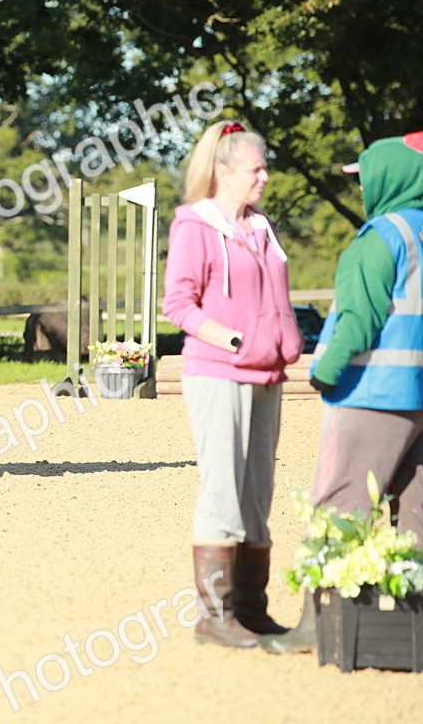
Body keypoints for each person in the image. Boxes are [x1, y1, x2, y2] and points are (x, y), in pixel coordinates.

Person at [262, 130, 423, 655]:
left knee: (342, 505)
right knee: (417, 517)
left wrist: (325, 371)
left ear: (391, 178)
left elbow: (358, 318)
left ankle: (320, 625)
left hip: (372, 392)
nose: (361, 189)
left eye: (365, 179)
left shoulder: (380, 237)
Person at [162, 120, 305, 649]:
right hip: (219, 372)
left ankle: (251, 608)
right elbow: (178, 304)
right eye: (255, 169)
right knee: (223, 490)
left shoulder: (263, 227)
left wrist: (283, 341)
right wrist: (235, 340)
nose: (264, 177)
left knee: (257, 493)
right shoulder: (194, 226)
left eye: (265, 168)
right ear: (224, 171)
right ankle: (214, 616)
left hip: (268, 375)